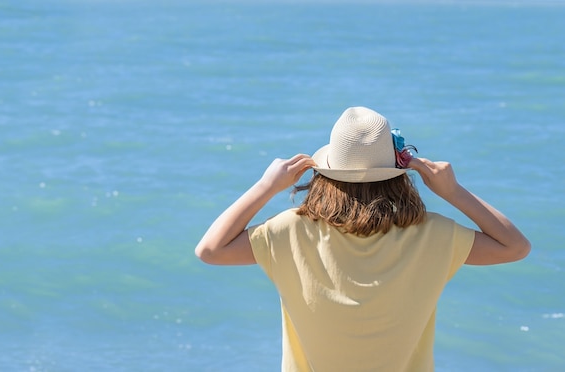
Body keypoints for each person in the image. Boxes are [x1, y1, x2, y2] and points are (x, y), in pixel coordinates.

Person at [195, 106, 530, 371]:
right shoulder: (434, 234)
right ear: (399, 174)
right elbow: (515, 247)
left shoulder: (288, 232)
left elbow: (210, 250)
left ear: (325, 173)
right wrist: (454, 192)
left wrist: (265, 187)